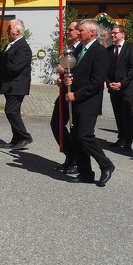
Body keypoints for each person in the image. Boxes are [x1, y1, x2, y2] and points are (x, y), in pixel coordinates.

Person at [62, 19, 115, 186]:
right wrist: (68, 79)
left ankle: (106, 165)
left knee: (85, 135)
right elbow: (76, 72)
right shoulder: (79, 50)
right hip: (75, 100)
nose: (78, 32)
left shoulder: (100, 52)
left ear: (92, 32)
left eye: (81, 30)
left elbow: (96, 83)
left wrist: (76, 95)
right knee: (76, 137)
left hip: (88, 101)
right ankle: (85, 173)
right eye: (77, 30)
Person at [0, 19, 33, 149]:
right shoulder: (11, 44)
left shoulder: (23, 47)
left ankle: (25, 136)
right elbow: (7, 59)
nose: (7, 31)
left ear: (17, 31)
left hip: (17, 85)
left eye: (9, 28)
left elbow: (14, 67)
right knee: (14, 112)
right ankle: (16, 139)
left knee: (10, 110)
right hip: (10, 84)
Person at [51, 20, 81, 174]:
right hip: (64, 92)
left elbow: (81, 72)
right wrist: (61, 80)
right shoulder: (69, 50)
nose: (68, 32)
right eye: (67, 30)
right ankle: (70, 155)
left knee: (75, 128)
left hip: (76, 94)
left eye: (71, 30)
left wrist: (64, 72)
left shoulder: (81, 50)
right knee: (56, 124)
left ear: (79, 32)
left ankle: (77, 161)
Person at [106, 25, 133, 151]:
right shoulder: (109, 50)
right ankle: (121, 137)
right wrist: (109, 83)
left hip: (127, 87)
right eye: (112, 33)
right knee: (118, 113)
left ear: (122, 34)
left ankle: (128, 140)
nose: (112, 35)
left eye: (115, 33)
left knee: (127, 112)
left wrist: (122, 83)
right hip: (113, 87)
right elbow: (106, 69)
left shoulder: (131, 48)